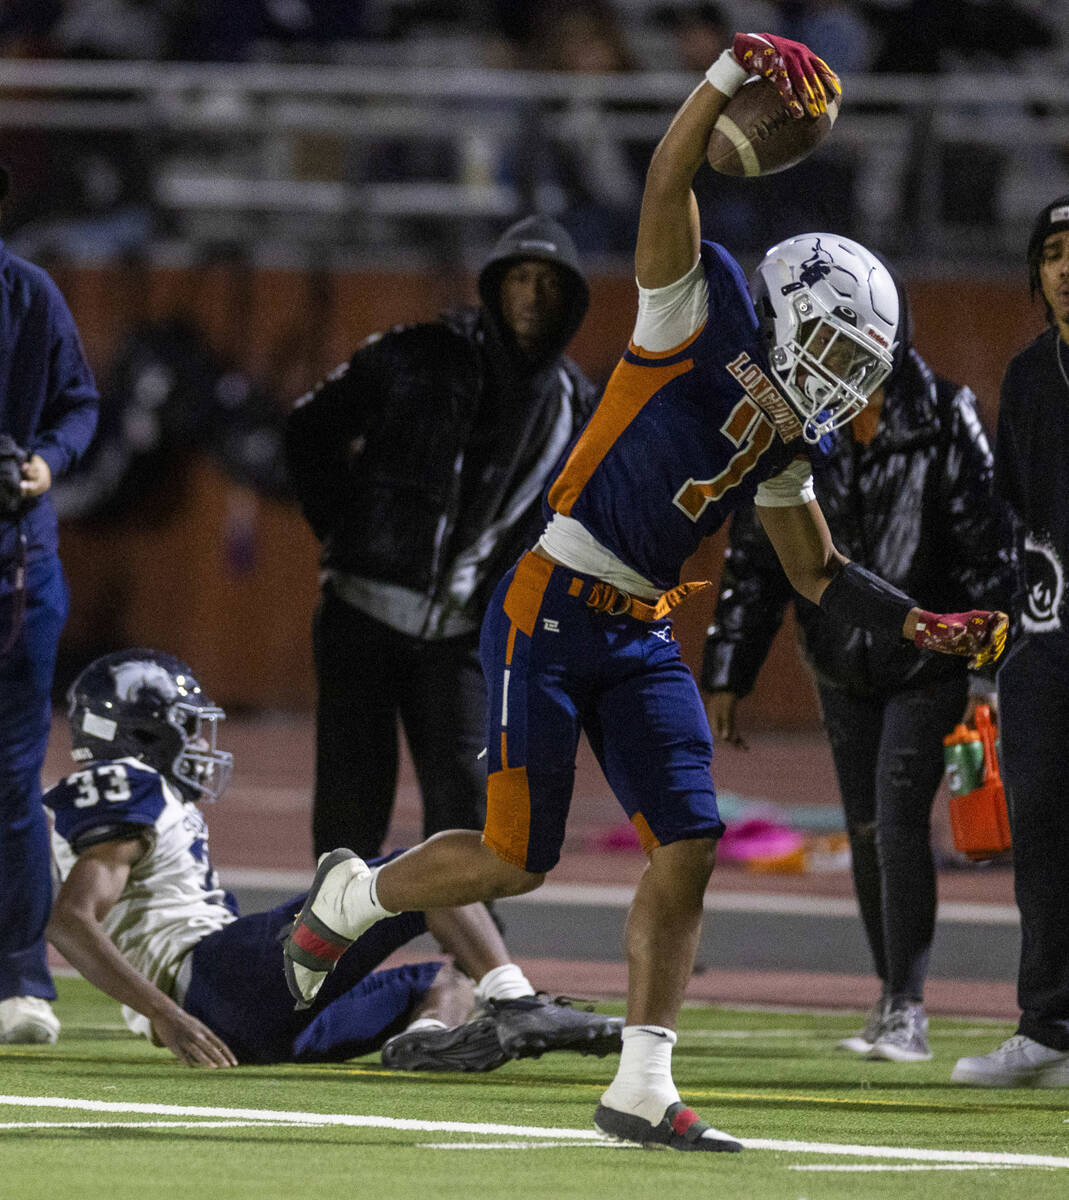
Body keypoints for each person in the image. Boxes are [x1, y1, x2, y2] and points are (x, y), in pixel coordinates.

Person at [282, 32, 1007, 1150]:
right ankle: (353, 897)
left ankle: (641, 1083)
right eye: (835, 343)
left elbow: (812, 568)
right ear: (791, 302)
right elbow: (671, 180)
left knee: (691, 835)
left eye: (859, 360)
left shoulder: (787, 433)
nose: (840, 373)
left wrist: (914, 619)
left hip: (641, 633)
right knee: (518, 857)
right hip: (553, 601)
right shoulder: (697, 310)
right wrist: (723, 74)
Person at [703, 258, 1014, 1063]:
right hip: (838, 661)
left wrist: (986, 661)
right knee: (869, 829)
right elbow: (758, 552)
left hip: (925, 663)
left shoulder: (944, 413)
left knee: (899, 823)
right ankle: (889, 999)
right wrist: (729, 667)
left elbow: (985, 540)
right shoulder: (798, 418)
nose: (841, 359)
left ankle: (904, 1006)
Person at [44, 648, 622, 1069]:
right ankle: (517, 1001)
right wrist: (166, 1013)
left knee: (447, 978)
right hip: (213, 979)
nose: (198, 743)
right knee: (411, 877)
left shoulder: (128, 794)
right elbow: (70, 919)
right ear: (139, 736)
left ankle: (422, 1038)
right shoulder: (123, 783)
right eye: (186, 728)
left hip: (248, 1027)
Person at [285, 214, 596, 863]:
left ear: (571, 300)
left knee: (470, 813)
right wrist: (346, 533)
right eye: (518, 279)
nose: (533, 296)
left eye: (547, 282)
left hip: (464, 637)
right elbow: (308, 430)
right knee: (349, 807)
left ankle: (467, 961)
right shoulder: (416, 354)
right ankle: (330, 957)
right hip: (360, 614)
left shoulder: (578, 407)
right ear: (494, 287)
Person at [952, 195, 1069, 1088]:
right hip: (1045, 645)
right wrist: (998, 647)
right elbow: (1009, 518)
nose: (1065, 267)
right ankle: (1046, 1027)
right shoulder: (1029, 377)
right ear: (1035, 274)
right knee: (1039, 835)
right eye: (1053, 252)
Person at [0, 162, 99, 1045]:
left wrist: (43, 464)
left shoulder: (28, 294)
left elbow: (78, 403)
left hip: (14, 576)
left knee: (11, 775)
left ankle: (22, 978)